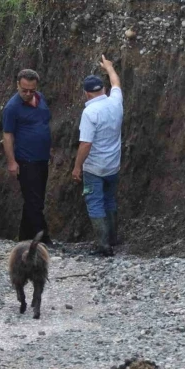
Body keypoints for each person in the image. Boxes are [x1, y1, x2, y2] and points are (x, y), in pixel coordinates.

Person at [72, 55, 123, 257]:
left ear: (86, 94)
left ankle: (103, 246)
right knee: (109, 200)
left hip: (94, 168)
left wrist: (77, 167)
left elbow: (85, 144)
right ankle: (113, 239)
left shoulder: (90, 113)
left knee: (95, 202)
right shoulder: (116, 102)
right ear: (103, 90)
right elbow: (116, 83)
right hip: (113, 166)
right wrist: (109, 68)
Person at [2, 69, 53, 244]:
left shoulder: (40, 98)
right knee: (34, 201)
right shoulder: (12, 107)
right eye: (24, 90)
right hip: (26, 160)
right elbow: (7, 135)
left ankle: (24, 238)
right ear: (17, 85)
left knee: (34, 198)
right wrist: (11, 162)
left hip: (42, 158)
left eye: (31, 90)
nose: (28, 93)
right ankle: (43, 238)